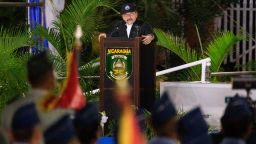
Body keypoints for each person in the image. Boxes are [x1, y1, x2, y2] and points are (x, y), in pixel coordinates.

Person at [99, 3, 157, 111]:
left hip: (140, 68)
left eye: (131, 14)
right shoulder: (118, 26)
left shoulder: (143, 25)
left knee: (141, 98)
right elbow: (109, 37)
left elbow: (152, 35)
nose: (128, 16)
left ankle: (142, 111)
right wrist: (103, 36)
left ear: (136, 14)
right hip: (124, 71)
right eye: (125, 14)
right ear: (122, 16)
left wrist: (150, 37)